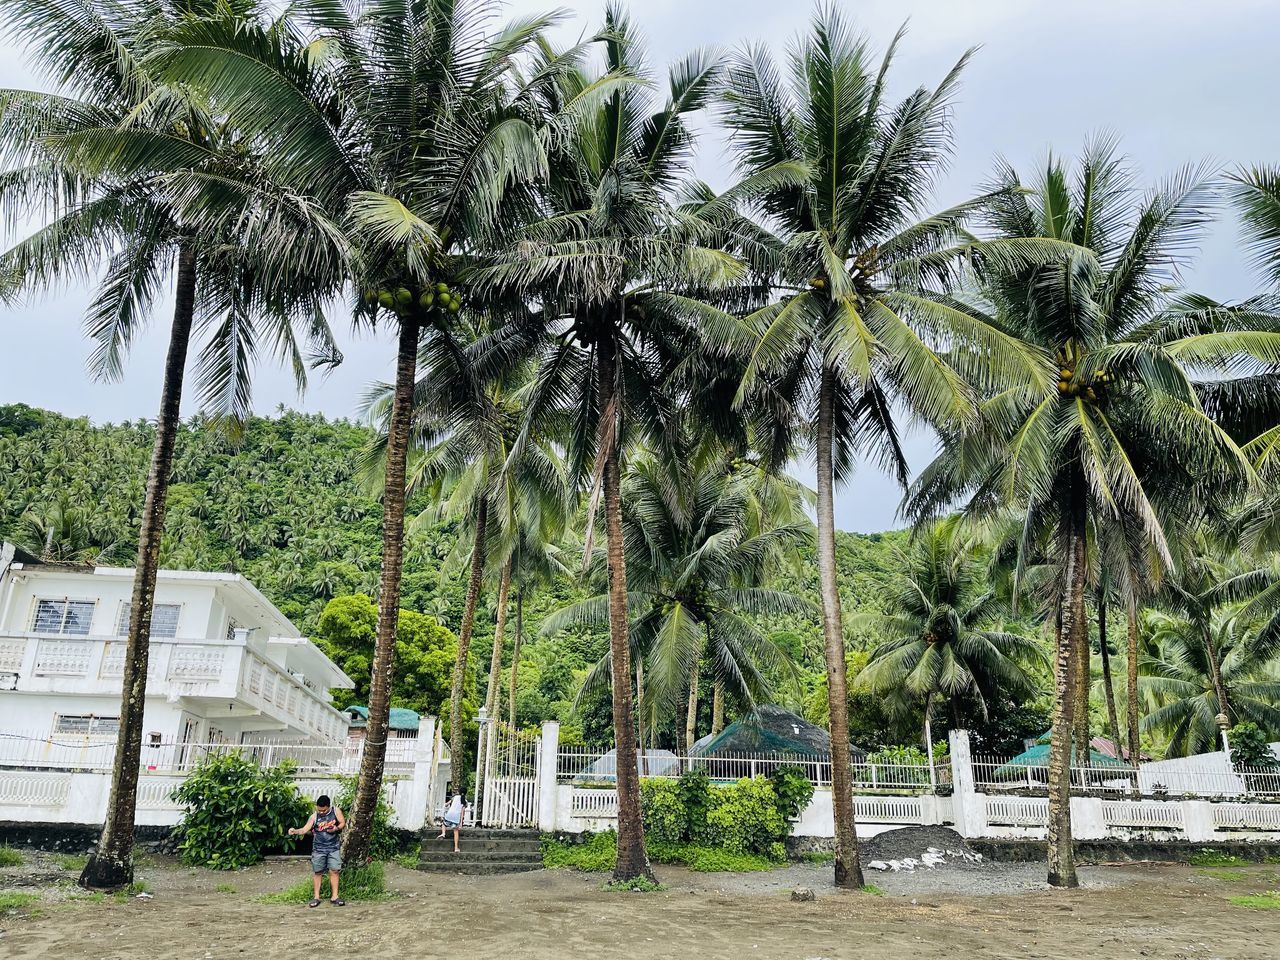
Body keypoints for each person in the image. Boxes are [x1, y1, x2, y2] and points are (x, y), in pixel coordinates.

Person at [288, 794, 345, 907]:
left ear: (328, 807)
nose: (321, 812)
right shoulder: (314, 817)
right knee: (318, 872)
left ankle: (335, 897)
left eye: (324, 810)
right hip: (318, 849)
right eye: (319, 810)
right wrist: (294, 831)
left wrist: (336, 828)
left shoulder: (336, 811)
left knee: (334, 871)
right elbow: (304, 829)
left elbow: (343, 823)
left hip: (333, 847)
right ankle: (316, 897)